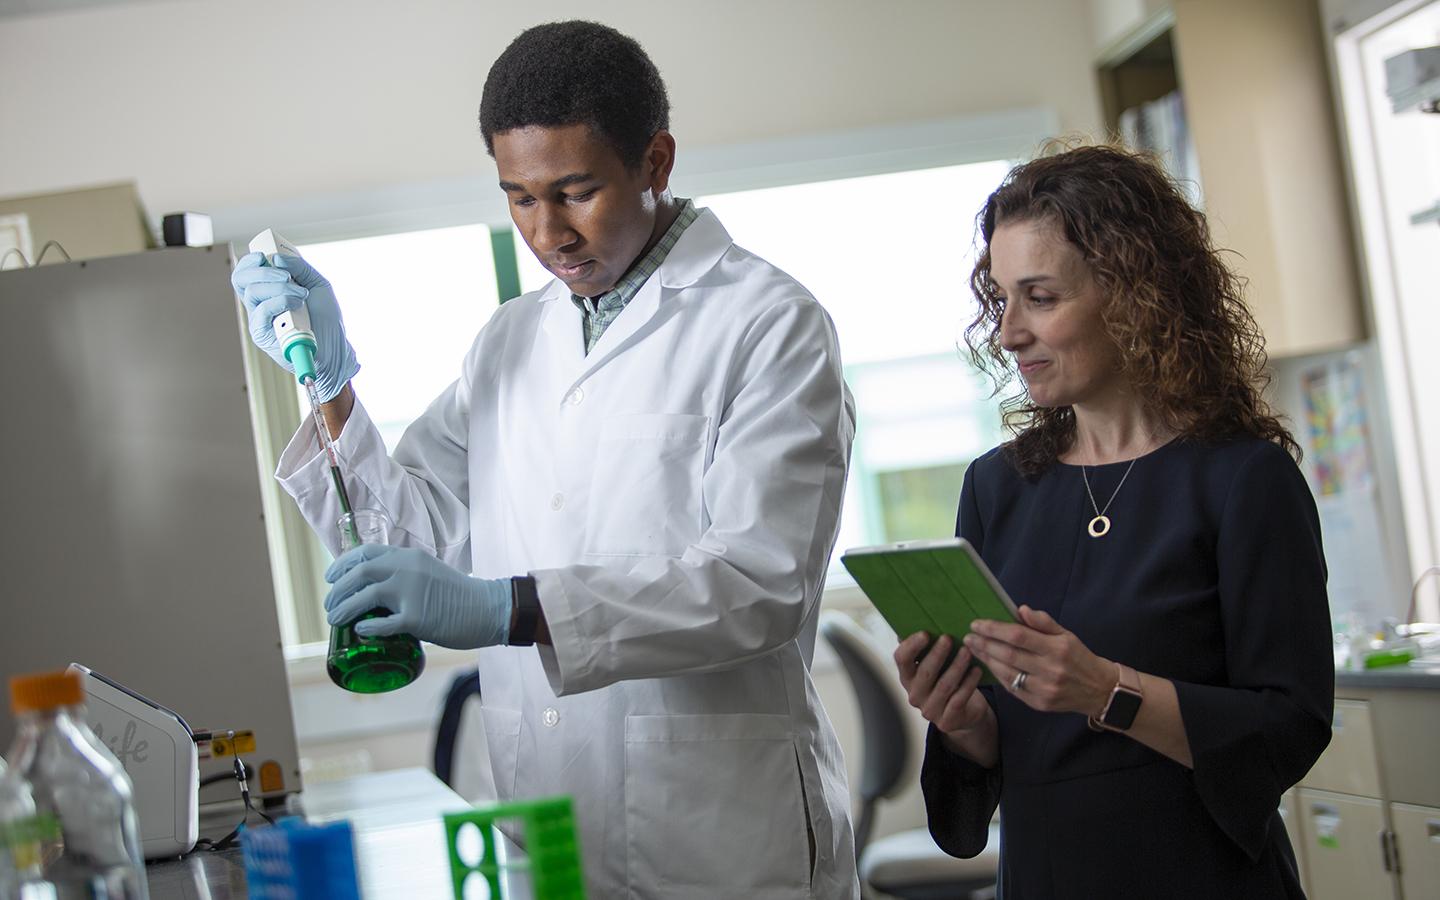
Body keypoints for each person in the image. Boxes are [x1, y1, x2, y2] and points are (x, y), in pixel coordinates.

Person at [230, 21, 859, 899]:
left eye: (575, 191)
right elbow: (410, 536)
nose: (548, 232)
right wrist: (331, 386)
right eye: (519, 198)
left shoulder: (768, 323)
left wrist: (510, 607)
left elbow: (761, 583)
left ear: (656, 160)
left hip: (718, 841)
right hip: (548, 827)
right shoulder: (511, 341)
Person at [892, 144, 1333, 898]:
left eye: (1041, 297)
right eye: (1002, 300)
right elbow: (998, 761)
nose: (1008, 334)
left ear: (1133, 294)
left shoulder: (1243, 478)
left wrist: (1105, 690)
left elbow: (1288, 727)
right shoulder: (996, 489)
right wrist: (962, 722)